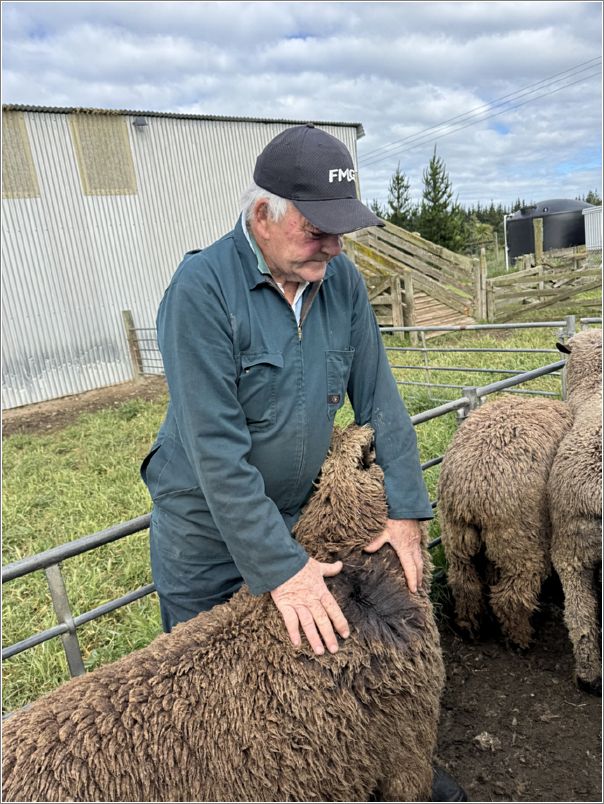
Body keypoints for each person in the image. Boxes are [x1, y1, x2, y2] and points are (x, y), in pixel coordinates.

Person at [142, 124, 467, 801]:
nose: (336, 246)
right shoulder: (201, 292)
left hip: (296, 518)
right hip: (207, 532)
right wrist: (281, 571)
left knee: (308, 673)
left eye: (342, 230)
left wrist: (408, 510)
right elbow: (216, 452)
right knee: (220, 702)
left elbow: (379, 395)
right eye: (319, 230)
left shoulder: (339, 280)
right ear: (263, 215)